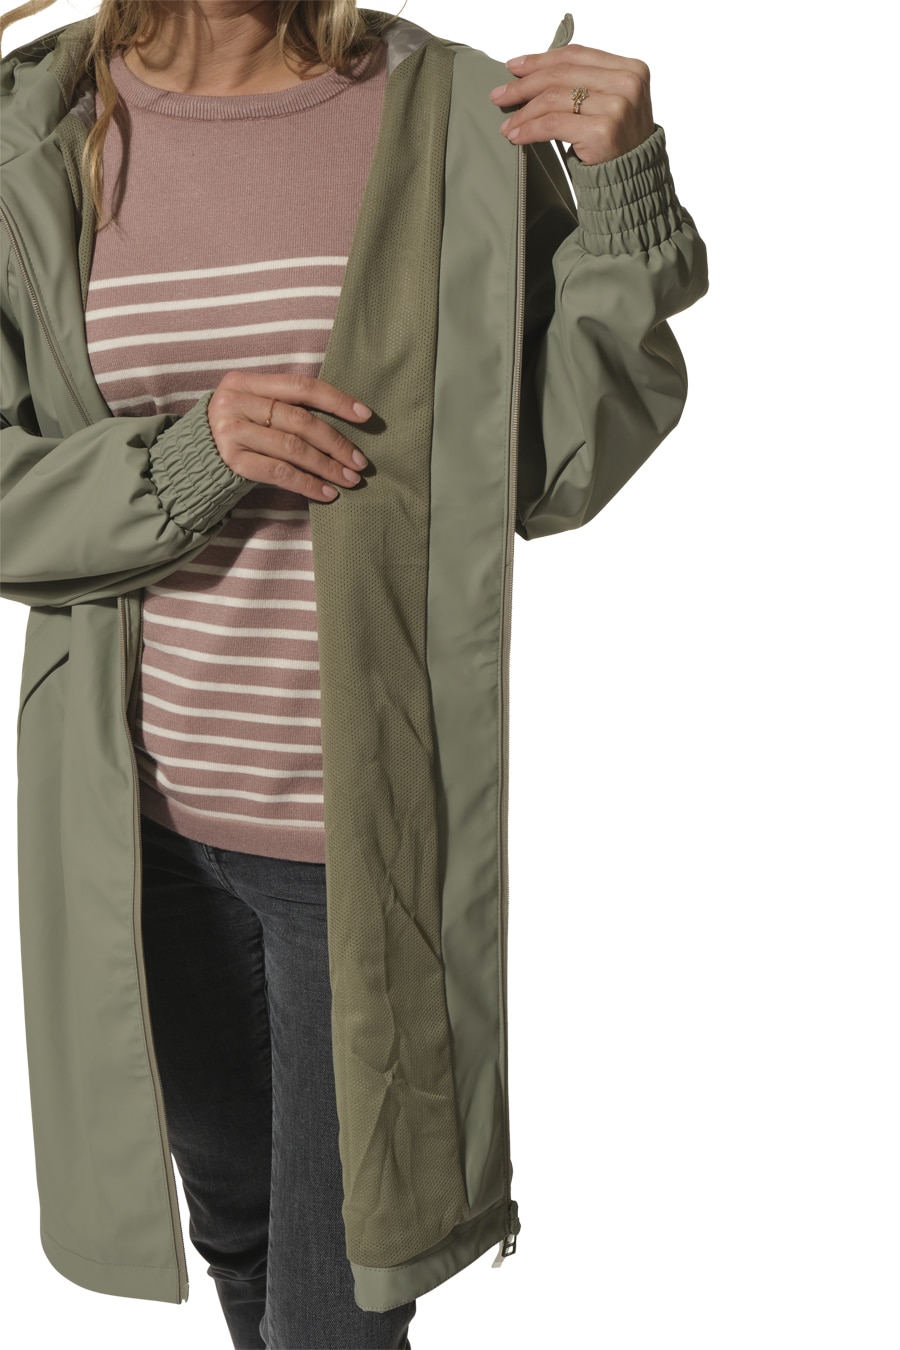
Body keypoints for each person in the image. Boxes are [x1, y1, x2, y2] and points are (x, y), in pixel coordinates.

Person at [0, 1, 710, 1346]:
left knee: (340, 1312)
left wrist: (622, 196)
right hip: (131, 839)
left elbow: (550, 464)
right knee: (243, 1238)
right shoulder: (28, 131)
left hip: (357, 850)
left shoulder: (448, 115)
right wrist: (190, 458)